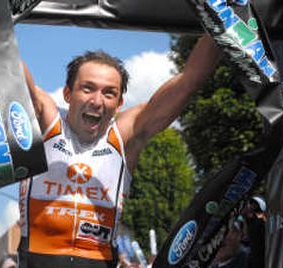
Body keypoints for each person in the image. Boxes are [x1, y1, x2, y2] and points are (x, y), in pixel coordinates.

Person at [17, 34, 221, 268]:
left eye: (109, 93)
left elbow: (189, 82)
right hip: (37, 257)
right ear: (67, 94)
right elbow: (8, 66)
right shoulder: (46, 119)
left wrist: (223, 16)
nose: (97, 101)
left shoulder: (125, 135)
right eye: (87, 88)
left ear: (120, 103)